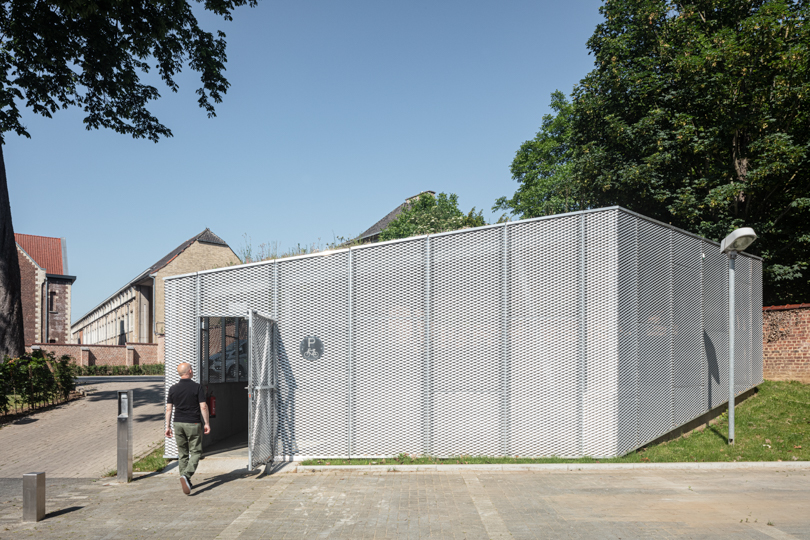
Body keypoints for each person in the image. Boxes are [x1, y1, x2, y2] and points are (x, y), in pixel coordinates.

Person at [165, 362, 211, 495]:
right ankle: (186, 475)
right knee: (196, 452)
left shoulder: (172, 389)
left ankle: (186, 480)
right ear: (190, 371)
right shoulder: (197, 387)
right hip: (193, 424)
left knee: (183, 454)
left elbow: (169, 409)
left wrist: (167, 426)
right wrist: (207, 423)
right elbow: (203, 406)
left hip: (177, 423)